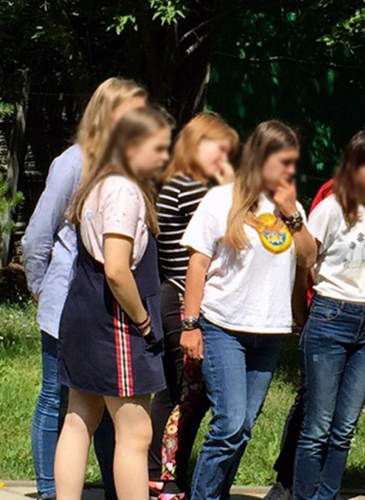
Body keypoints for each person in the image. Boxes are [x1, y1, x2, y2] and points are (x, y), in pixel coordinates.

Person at [266, 123, 365, 500]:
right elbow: (305, 259)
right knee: (317, 426)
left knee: (344, 428)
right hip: (330, 315)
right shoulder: (330, 208)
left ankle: (326, 495)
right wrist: (300, 309)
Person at [23, 76, 146, 500]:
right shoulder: (74, 161)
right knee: (57, 400)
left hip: (103, 308)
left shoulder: (127, 166)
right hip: (68, 301)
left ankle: (114, 488)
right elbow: (37, 235)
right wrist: (41, 289)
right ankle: (49, 490)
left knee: (101, 408)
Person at [182, 121, 317, 500]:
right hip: (223, 327)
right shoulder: (221, 200)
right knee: (229, 424)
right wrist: (190, 324)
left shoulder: (292, 209)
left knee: (243, 428)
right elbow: (197, 263)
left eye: (293, 162)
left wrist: (292, 214)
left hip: (268, 334)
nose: (290, 170)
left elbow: (309, 257)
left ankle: (218, 493)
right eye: (283, 162)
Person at [54, 105, 173, 500]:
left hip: (84, 313)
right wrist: (144, 322)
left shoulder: (98, 180)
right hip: (115, 324)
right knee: (135, 433)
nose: (165, 157)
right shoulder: (124, 189)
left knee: (79, 419)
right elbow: (118, 269)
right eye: (159, 148)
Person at [148, 113, 239, 499]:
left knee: (186, 392)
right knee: (182, 393)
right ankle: (161, 473)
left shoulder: (184, 183)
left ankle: (166, 471)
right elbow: (229, 225)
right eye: (220, 150)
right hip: (181, 297)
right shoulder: (188, 187)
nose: (225, 159)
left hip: (181, 296)